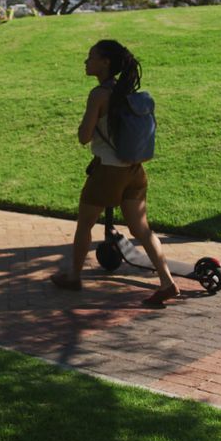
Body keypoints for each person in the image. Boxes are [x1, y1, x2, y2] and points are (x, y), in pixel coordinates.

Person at [50, 39, 179, 306]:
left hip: (108, 171)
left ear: (105, 62)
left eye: (91, 57)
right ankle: (166, 282)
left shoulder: (99, 95)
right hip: (135, 170)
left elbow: (84, 137)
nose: (86, 62)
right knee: (142, 230)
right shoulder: (130, 92)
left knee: (85, 223)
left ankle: (74, 277)